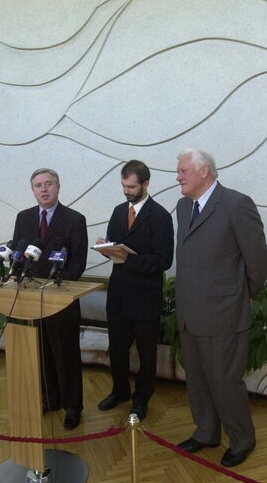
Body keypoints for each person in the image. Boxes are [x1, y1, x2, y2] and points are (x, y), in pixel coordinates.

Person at [175, 149, 267, 467]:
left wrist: (247, 294)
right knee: (198, 379)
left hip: (224, 314)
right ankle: (206, 433)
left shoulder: (236, 204)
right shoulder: (182, 205)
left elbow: (258, 259)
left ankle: (243, 440)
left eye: (184, 171)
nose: (179, 177)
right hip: (189, 314)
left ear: (204, 171)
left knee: (225, 382)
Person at [96, 160, 174, 420]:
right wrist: (106, 248)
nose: (126, 191)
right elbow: (115, 250)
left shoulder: (160, 216)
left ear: (146, 184)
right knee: (117, 349)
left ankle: (141, 399)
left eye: (131, 186)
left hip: (145, 298)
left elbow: (163, 261)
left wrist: (128, 257)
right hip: (118, 295)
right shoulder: (118, 211)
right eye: (123, 186)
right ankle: (120, 391)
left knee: (146, 354)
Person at [13, 168, 88, 429]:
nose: (43, 189)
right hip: (32, 300)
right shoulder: (23, 218)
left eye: (48, 184)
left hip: (61, 299)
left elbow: (78, 263)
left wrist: (56, 286)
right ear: (32, 190)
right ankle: (50, 398)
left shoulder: (74, 219)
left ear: (58, 187)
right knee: (41, 350)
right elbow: (19, 252)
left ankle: (72, 406)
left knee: (65, 352)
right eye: (38, 185)